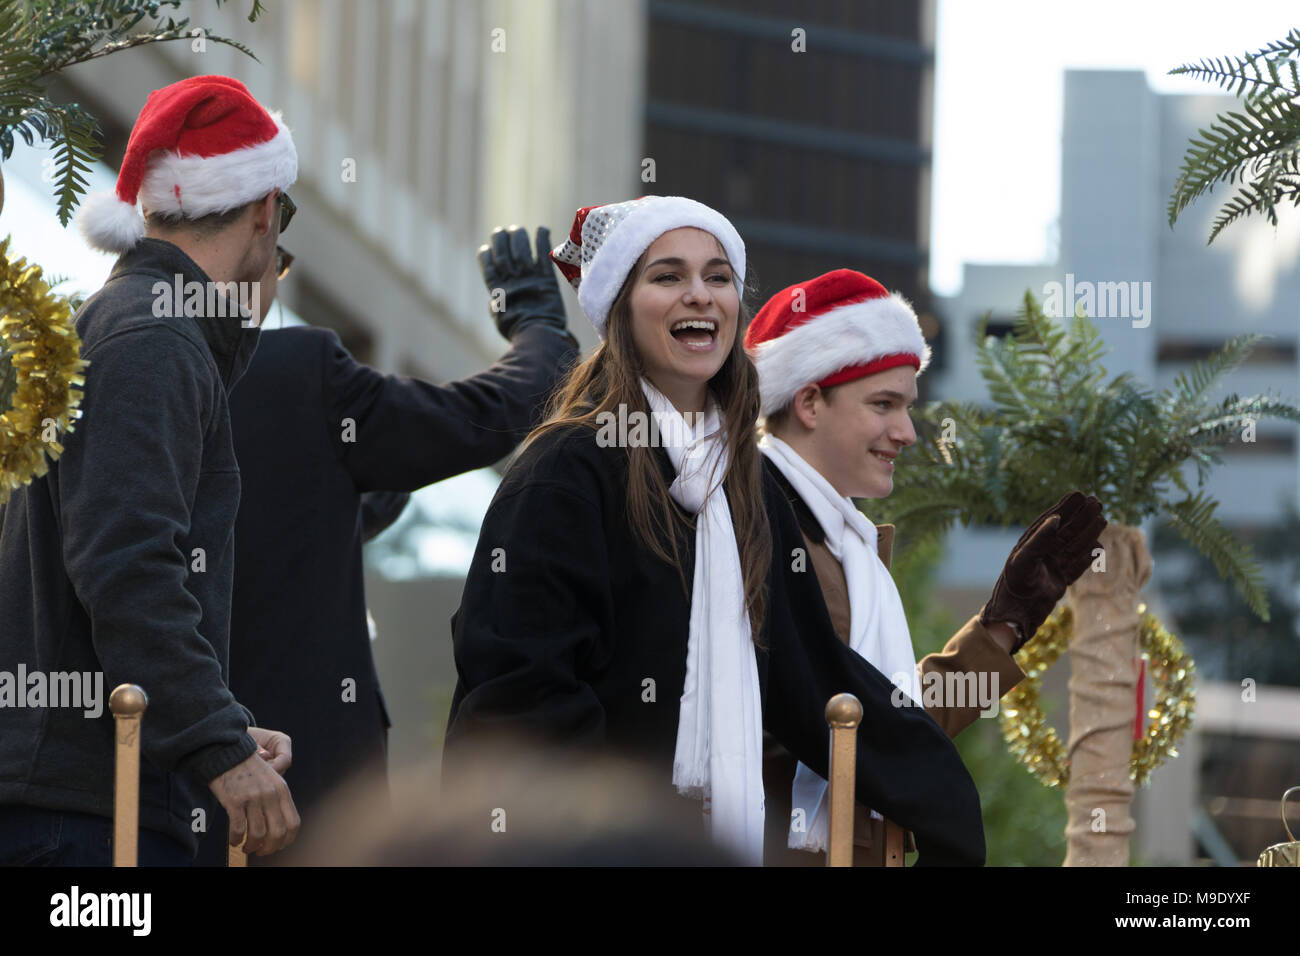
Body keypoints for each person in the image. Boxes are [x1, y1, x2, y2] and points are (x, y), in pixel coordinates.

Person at [443, 196, 985, 866]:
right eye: (667, 277)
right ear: (621, 307)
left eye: (719, 277)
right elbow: (521, 703)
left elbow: (814, 676)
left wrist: (949, 810)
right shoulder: (565, 476)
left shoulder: (747, 490)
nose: (699, 295)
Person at [193, 226, 579, 865]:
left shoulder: (100, 370)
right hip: (299, 802)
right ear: (254, 233)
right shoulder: (298, 369)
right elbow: (479, 413)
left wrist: (337, 515)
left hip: (144, 805)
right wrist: (539, 327)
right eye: (279, 261)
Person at [0, 75, 301, 864]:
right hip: (82, 819)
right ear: (266, 208)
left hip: (84, 801)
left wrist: (220, 724)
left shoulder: (133, 328)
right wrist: (216, 745)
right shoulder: (153, 340)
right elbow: (129, 565)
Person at [745, 268, 1106, 864]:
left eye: (908, 406)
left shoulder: (848, 547)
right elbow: (851, 733)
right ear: (808, 400)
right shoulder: (745, 523)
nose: (907, 432)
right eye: (883, 404)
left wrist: (1002, 629)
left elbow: (886, 729)